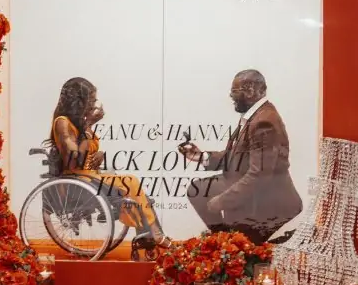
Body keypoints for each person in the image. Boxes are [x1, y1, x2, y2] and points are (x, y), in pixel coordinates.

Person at [47, 77, 172, 251]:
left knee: (131, 183)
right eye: (91, 100)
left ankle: (149, 233)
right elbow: (75, 159)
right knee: (130, 183)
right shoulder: (62, 122)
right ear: (79, 101)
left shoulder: (77, 123)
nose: (94, 104)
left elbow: (86, 150)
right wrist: (89, 124)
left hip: (89, 176)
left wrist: (98, 154)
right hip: (77, 181)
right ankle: (153, 233)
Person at [179, 70, 302, 245]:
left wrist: (222, 201)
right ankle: (226, 242)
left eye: (234, 91)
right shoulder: (255, 115)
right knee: (197, 190)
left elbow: (258, 177)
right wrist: (201, 157)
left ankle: (234, 245)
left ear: (250, 91)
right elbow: (236, 156)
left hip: (269, 201)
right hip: (253, 187)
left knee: (243, 247)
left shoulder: (264, 122)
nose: (231, 96)